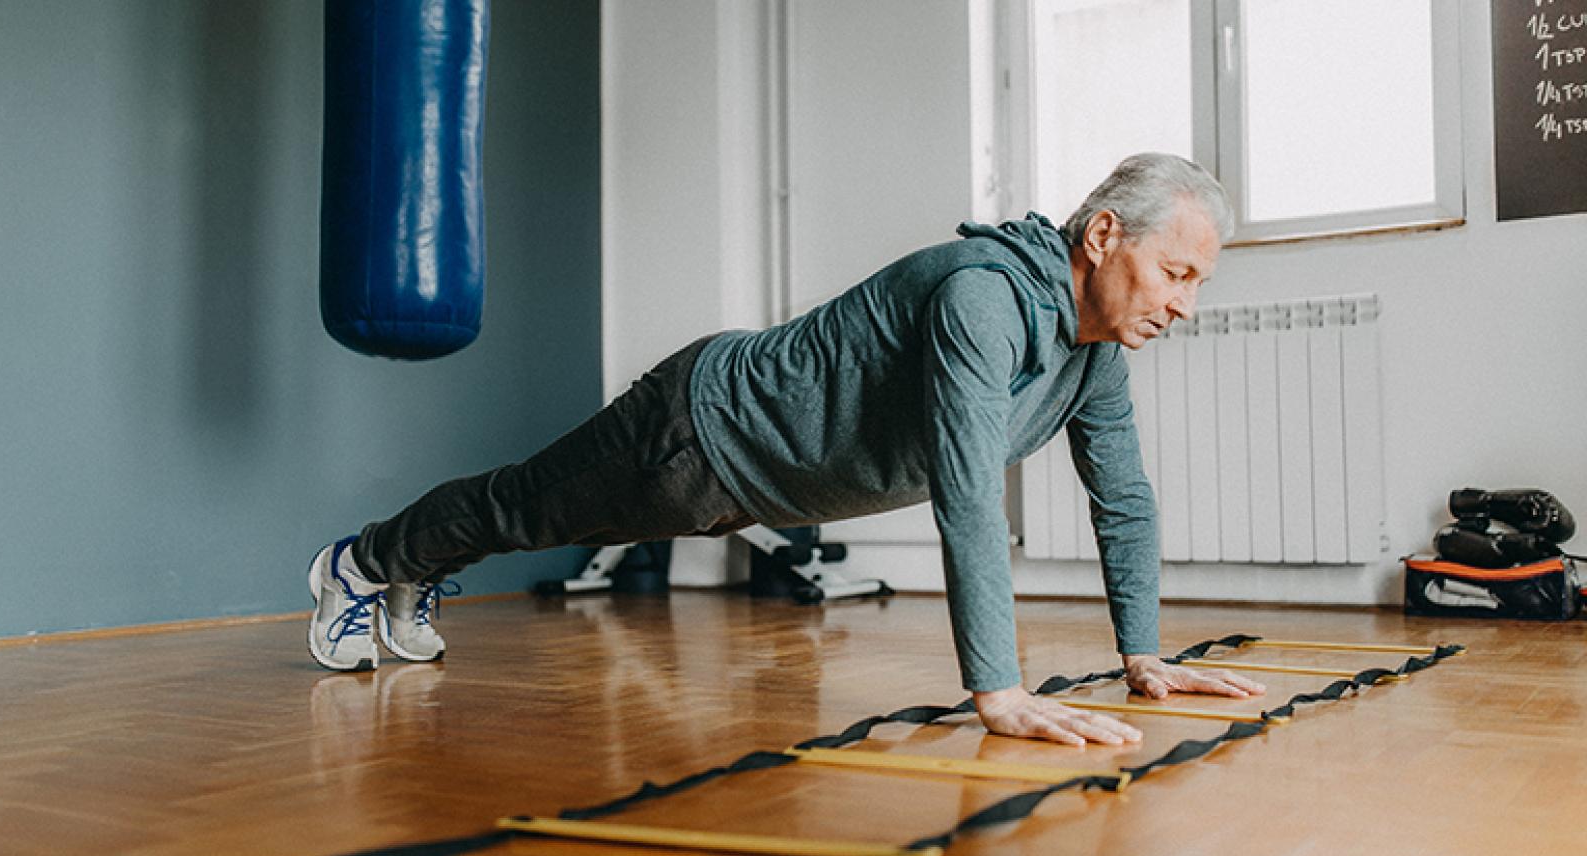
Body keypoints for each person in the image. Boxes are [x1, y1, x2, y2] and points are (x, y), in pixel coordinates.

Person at [306, 152, 1266, 745]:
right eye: (1175, 273)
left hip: (748, 485)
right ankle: (365, 562)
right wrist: (998, 692)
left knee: (521, 514)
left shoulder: (1091, 354)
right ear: (1103, 236)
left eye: (1196, 284)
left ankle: (406, 569)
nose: (1183, 305)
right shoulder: (984, 297)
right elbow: (969, 491)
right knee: (519, 509)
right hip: (693, 429)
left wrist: (1145, 654)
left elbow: (1124, 498)